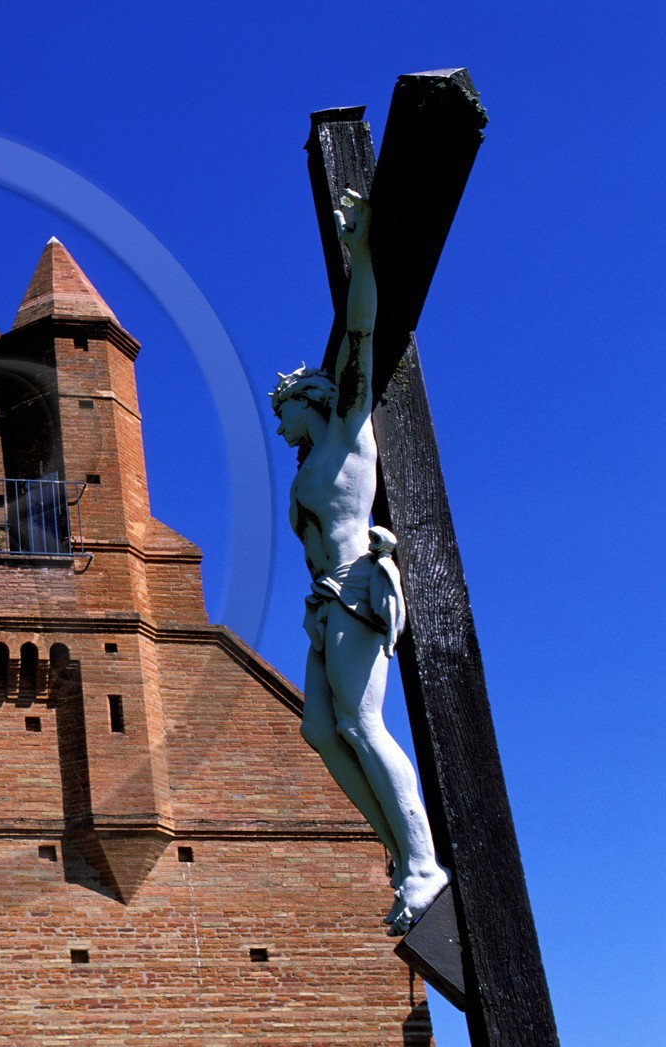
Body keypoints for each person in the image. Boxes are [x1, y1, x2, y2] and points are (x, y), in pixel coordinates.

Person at [272, 191, 449, 936]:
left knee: (363, 722)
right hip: (323, 602)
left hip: (354, 591)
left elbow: (362, 333)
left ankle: (422, 862)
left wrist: (364, 252)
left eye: (280, 409)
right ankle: (396, 844)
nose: (277, 423)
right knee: (320, 729)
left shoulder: (346, 434)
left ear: (302, 400)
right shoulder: (314, 456)